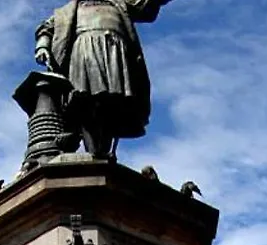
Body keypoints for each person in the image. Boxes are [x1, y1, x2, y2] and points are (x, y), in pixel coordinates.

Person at [35, 0, 170, 159]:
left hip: (114, 50)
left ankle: (103, 149)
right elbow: (47, 28)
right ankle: (91, 146)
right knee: (84, 99)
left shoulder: (120, 4)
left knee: (113, 100)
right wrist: (42, 46)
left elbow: (146, 5)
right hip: (84, 49)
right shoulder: (68, 10)